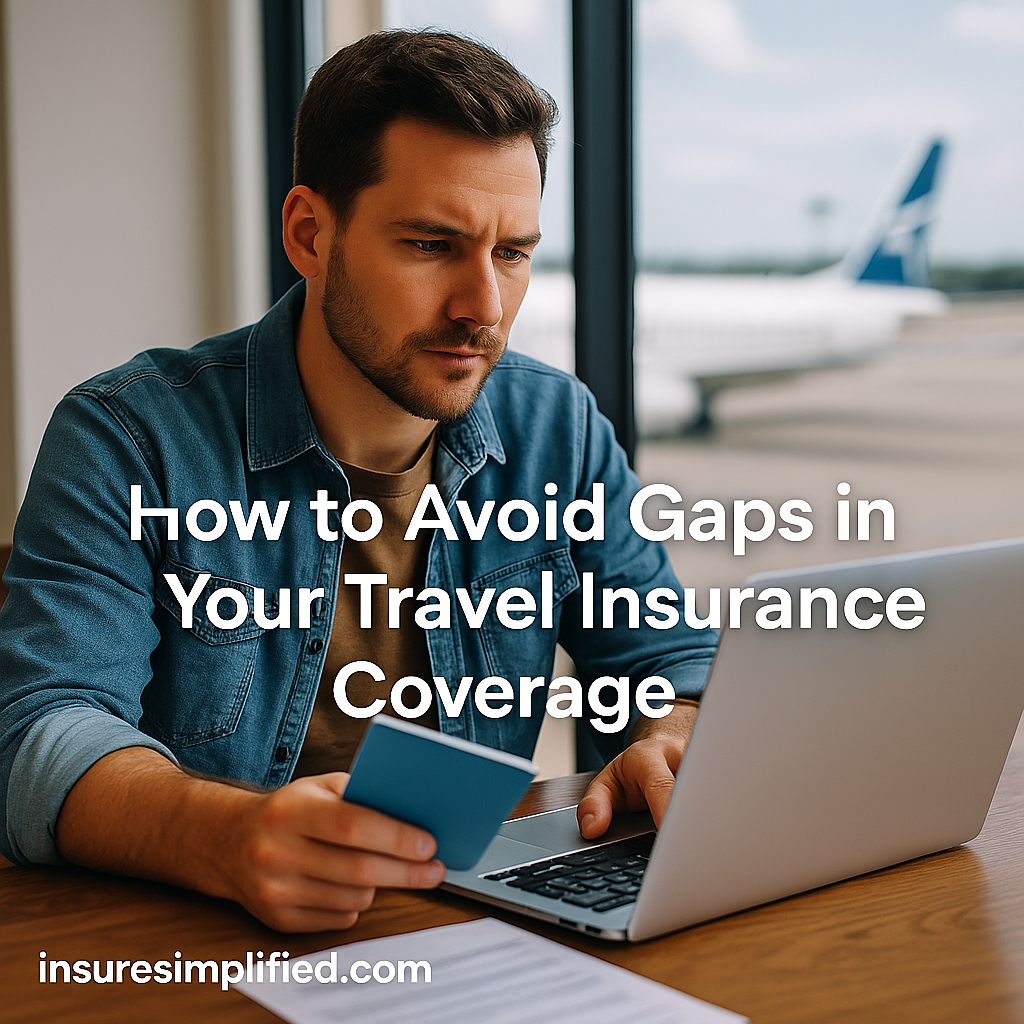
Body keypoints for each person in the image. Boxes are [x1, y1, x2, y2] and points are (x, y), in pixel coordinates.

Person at [0, 31, 716, 932]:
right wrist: (226, 834)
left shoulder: (556, 428)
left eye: (512, 253)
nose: (482, 310)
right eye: (431, 244)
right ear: (310, 233)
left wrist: (671, 737)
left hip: (466, 931)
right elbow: (38, 736)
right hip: (203, 947)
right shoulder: (129, 436)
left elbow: (672, 662)